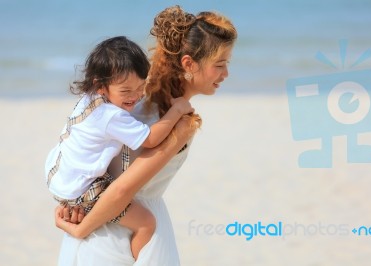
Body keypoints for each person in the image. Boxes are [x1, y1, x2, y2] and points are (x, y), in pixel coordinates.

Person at [55, 5, 237, 265]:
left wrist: (69, 200)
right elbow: (122, 189)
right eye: (219, 64)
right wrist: (81, 228)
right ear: (189, 64)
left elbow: (83, 149)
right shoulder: (179, 122)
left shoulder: (128, 98)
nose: (225, 74)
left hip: (94, 216)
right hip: (115, 235)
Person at [45, 36, 194, 259]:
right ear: (100, 85)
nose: (135, 96)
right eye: (126, 91)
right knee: (146, 223)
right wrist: (177, 111)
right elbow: (151, 139)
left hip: (61, 172)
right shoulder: (111, 116)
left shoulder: (90, 99)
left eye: (141, 87)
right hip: (81, 187)